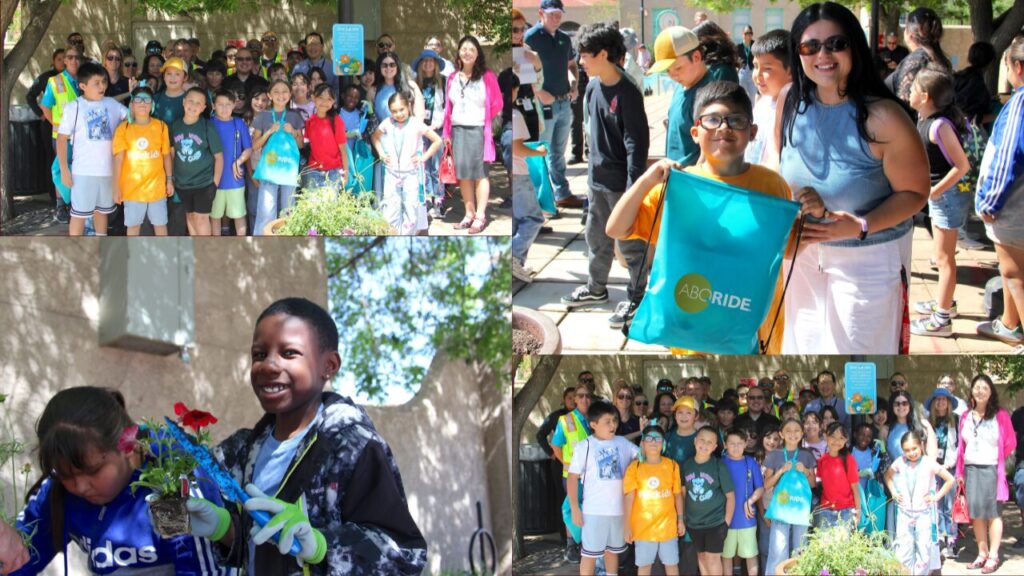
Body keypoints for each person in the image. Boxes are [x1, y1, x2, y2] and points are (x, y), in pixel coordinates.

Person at [186, 297, 427, 574]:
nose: (268, 365)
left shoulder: (353, 447)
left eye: (289, 353)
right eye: (259, 354)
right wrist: (224, 528)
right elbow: (260, 547)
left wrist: (321, 547)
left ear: (329, 365)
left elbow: (404, 555)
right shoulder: (244, 448)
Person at [607, 80, 815, 354]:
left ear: (752, 132)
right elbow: (616, 228)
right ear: (695, 131)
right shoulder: (677, 188)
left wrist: (809, 222)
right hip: (691, 331)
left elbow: (785, 250)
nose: (724, 127)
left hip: (750, 328)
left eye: (736, 120)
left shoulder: (772, 185)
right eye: (712, 120)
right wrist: (647, 179)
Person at [778, 2, 929, 354]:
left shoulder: (883, 116)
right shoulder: (791, 101)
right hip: (801, 254)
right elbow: (780, 168)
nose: (823, 55)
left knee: (858, 361)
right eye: (809, 46)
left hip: (867, 258)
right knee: (805, 349)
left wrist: (860, 225)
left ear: (854, 47)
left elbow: (915, 193)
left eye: (836, 43)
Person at [0, 387, 231, 574]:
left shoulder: (167, 485)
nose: (79, 486)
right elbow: (19, 561)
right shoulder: (60, 487)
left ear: (128, 446)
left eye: (93, 471)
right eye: (67, 475)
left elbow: (197, 569)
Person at [558, 22, 650, 328]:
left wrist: (632, 191)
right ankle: (596, 288)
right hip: (596, 183)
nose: (580, 62)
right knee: (594, 238)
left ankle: (637, 298)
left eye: (585, 55)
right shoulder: (594, 86)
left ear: (603, 54)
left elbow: (637, 145)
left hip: (621, 187)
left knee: (630, 246)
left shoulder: (628, 93)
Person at [909, 68, 972, 338]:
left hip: (947, 198)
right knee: (940, 257)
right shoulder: (925, 119)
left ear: (924, 96)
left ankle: (942, 319)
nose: (907, 92)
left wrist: (935, 190)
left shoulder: (939, 126)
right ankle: (945, 301)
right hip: (939, 197)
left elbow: (962, 166)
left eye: (912, 89)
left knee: (945, 259)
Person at [974, 37, 1024, 349]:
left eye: (1006, 65)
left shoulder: (1019, 103)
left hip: (1012, 206)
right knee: (1012, 269)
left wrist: (990, 201)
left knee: (1014, 273)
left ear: (1018, 67)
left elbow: (1008, 158)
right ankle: (1008, 323)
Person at [525, 0, 586, 209]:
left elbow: (572, 65)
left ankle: (562, 192)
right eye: (552, 14)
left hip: (563, 103)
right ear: (541, 13)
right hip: (543, 105)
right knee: (540, 151)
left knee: (558, 152)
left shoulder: (563, 39)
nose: (556, 19)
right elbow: (523, 73)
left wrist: (575, 84)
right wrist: (540, 93)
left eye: (559, 14)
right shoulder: (530, 38)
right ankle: (542, 200)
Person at [567, 400, 638, 576]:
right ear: (593, 424)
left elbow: (642, 456)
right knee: (589, 554)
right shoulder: (585, 446)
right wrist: (575, 508)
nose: (613, 425)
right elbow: (572, 477)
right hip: (594, 512)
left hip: (618, 510)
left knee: (612, 551)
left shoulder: (622, 443)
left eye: (614, 420)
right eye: (607, 421)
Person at [56, 62, 126, 236]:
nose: (102, 86)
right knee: (79, 214)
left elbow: (131, 119)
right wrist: (64, 169)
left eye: (104, 81)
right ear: (83, 86)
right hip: (83, 172)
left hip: (108, 171)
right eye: (97, 83)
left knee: (102, 212)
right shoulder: (74, 107)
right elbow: (61, 138)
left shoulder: (112, 104)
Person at [954, 374, 1016, 574]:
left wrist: (996, 459)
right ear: (971, 391)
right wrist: (960, 471)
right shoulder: (965, 416)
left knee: (994, 513)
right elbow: (961, 448)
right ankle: (982, 553)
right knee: (976, 514)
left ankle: (994, 556)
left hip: (991, 469)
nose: (980, 390)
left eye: (985, 388)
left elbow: (1010, 443)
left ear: (991, 393)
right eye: (977, 387)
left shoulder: (1001, 415)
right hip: (971, 470)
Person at [443, 35, 502, 234]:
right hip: (457, 131)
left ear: (478, 54)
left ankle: (480, 216)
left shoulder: (487, 76)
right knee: (464, 175)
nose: (467, 52)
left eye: (472, 49)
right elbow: (448, 108)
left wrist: (483, 119)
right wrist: (446, 133)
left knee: (480, 174)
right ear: (459, 52)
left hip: (478, 130)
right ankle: (468, 214)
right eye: (464, 48)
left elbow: (497, 104)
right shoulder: (452, 77)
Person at [373, 91, 442, 235]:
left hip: (411, 175)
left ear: (408, 107)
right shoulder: (387, 123)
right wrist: (381, 153)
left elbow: (437, 140)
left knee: (411, 211)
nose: (398, 114)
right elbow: (375, 137)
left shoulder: (416, 124)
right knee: (391, 211)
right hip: (392, 175)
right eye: (394, 111)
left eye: (401, 110)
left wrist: (423, 157)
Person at [112, 86, 173, 236]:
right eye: (138, 99)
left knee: (160, 225)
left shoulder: (161, 127)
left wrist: (169, 180)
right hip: (132, 190)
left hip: (157, 188)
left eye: (146, 100)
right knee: (133, 227)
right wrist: (115, 187)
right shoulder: (123, 128)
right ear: (131, 104)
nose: (142, 103)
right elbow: (118, 159)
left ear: (152, 104)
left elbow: (166, 155)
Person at [623, 425, 683, 576]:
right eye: (649, 438)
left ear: (663, 443)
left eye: (657, 438)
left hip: (668, 527)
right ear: (642, 443)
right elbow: (629, 498)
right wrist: (626, 526)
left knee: (671, 564)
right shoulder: (634, 468)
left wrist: (681, 520)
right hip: (643, 529)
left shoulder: (672, 466)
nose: (653, 442)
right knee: (644, 566)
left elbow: (677, 495)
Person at [648, 26, 711, 165]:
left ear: (696, 57)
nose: (673, 76)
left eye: (678, 68)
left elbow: (711, 150)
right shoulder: (682, 85)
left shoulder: (711, 95)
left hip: (691, 179)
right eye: (668, 70)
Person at [762, 418, 816, 575]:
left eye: (796, 430)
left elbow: (813, 484)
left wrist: (805, 471)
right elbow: (766, 485)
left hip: (801, 508)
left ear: (802, 433)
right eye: (788, 431)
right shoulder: (774, 455)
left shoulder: (807, 455)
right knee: (778, 550)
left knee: (801, 549)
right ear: (781, 434)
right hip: (781, 510)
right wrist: (780, 471)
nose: (793, 434)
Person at [251, 80, 304, 235]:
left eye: (284, 91)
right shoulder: (263, 116)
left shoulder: (295, 116)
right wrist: (269, 132)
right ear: (269, 95)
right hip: (269, 171)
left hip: (288, 169)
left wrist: (293, 132)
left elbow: (301, 145)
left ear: (290, 94)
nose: (281, 95)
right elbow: (254, 146)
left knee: (289, 210)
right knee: (266, 211)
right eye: (276, 92)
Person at [680, 426, 734, 576]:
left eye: (710, 442)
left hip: (715, 523)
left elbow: (730, 496)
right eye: (702, 440)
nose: (705, 445)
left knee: (712, 558)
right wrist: (683, 517)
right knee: (702, 556)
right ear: (695, 441)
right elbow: (684, 493)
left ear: (715, 447)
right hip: (694, 523)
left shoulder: (718, 466)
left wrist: (726, 522)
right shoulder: (687, 465)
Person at [171, 87, 223, 236]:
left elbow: (219, 157)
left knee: (201, 219)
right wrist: (172, 178)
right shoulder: (175, 126)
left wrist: (215, 183)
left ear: (203, 108)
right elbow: (172, 155)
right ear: (183, 102)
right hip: (182, 183)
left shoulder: (207, 126)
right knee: (190, 216)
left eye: (198, 103)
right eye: (190, 101)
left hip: (204, 183)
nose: (193, 106)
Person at [510, 72, 546, 283]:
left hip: (509, 174)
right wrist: (539, 152)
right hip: (519, 174)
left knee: (516, 222)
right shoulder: (514, 115)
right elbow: (518, 148)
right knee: (534, 219)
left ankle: (517, 266)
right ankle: (513, 257)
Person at [40, 44, 81, 224]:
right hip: (62, 137)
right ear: (64, 61)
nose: (74, 60)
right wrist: (58, 126)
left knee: (76, 169)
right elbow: (45, 106)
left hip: (81, 137)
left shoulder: (85, 78)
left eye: (77, 57)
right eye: (70, 57)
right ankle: (61, 205)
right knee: (61, 169)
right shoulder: (55, 81)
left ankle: (75, 202)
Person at [552, 382, 593, 563]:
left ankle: (587, 543)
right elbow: (556, 446)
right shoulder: (565, 420)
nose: (584, 399)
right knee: (572, 508)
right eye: (581, 395)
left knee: (589, 509)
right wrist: (568, 465)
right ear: (575, 399)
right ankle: (571, 545)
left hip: (592, 476)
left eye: (587, 396)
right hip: (572, 476)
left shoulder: (596, 418)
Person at [885, 8, 952, 105]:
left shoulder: (917, 61)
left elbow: (905, 103)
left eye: (905, 27)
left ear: (910, 34)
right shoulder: (937, 57)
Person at [721, 428, 763, 576]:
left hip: (747, 518)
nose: (736, 447)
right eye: (732, 443)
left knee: (750, 554)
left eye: (739, 443)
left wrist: (750, 501)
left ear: (746, 444)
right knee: (726, 555)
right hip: (726, 519)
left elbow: (760, 488)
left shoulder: (750, 462)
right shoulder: (720, 463)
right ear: (725, 444)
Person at [209, 89, 252, 236]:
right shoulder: (209, 124)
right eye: (220, 104)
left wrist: (238, 161)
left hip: (235, 178)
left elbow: (248, 149)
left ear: (234, 105)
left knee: (239, 214)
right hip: (214, 180)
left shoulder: (239, 123)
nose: (224, 108)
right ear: (213, 106)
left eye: (228, 104)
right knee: (215, 216)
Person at [925, 386, 960, 558]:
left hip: (950, 469)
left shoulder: (956, 421)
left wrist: (951, 464)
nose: (940, 402)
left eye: (943, 400)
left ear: (948, 403)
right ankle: (938, 539)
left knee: (950, 506)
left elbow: (959, 446)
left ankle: (951, 541)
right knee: (935, 505)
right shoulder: (928, 422)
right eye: (937, 399)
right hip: (933, 469)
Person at [746, 29, 791, 166]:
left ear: (791, 71)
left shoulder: (795, 110)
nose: (757, 75)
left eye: (767, 68)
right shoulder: (762, 103)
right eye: (755, 66)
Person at [413, 49, 448, 216]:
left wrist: (439, 126)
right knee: (423, 165)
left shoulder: (443, 81)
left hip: (437, 129)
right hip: (420, 129)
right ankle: (426, 197)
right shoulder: (415, 83)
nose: (428, 64)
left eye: (431, 61)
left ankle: (439, 198)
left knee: (437, 165)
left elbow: (447, 108)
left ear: (435, 64)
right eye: (425, 61)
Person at [304, 83, 350, 190]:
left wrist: (346, 172)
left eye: (329, 99)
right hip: (314, 170)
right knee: (314, 204)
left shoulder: (336, 121)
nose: (324, 102)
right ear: (313, 98)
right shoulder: (309, 122)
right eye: (320, 97)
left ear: (334, 102)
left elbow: (343, 150)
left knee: (330, 204)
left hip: (334, 171)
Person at [815, 422, 861, 528]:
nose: (836, 441)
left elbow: (855, 489)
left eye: (841, 438)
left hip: (846, 510)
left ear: (846, 440)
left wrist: (858, 512)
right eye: (833, 436)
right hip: (826, 509)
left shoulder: (849, 460)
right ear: (826, 436)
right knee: (826, 543)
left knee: (842, 543)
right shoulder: (822, 461)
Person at [954, 42, 997, 125]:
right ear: (990, 62)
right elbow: (970, 117)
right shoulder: (976, 83)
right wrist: (996, 116)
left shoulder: (960, 76)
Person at [536, 386, 577, 457]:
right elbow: (540, 435)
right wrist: (551, 453)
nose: (573, 400)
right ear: (564, 400)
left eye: (575, 397)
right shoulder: (557, 415)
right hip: (561, 460)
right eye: (569, 398)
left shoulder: (584, 415)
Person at [27, 48, 66, 118]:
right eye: (59, 59)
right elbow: (30, 96)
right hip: (50, 120)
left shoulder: (73, 77)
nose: (62, 62)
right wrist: (41, 114)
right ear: (53, 61)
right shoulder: (46, 77)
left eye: (65, 59)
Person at [152, 57, 188, 128]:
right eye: (169, 74)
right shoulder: (155, 98)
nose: (172, 78)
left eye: (177, 74)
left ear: (185, 77)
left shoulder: (190, 99)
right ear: (164, 77)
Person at [664, 396, 699, 468]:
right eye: (680, 412)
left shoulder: (701, 438)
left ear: (696, 416)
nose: (684, 416)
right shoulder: (666, 437)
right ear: (675, 416)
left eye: (688, 413)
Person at [738, 26, 756, 100]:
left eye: (750, 33)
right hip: (742, 72)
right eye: (746, 33)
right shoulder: (738, 47)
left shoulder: (755, 45)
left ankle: (752, 110)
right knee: (742, 95)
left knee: (753, 95)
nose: (748, 35)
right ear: (743, 34)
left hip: (752, 72)